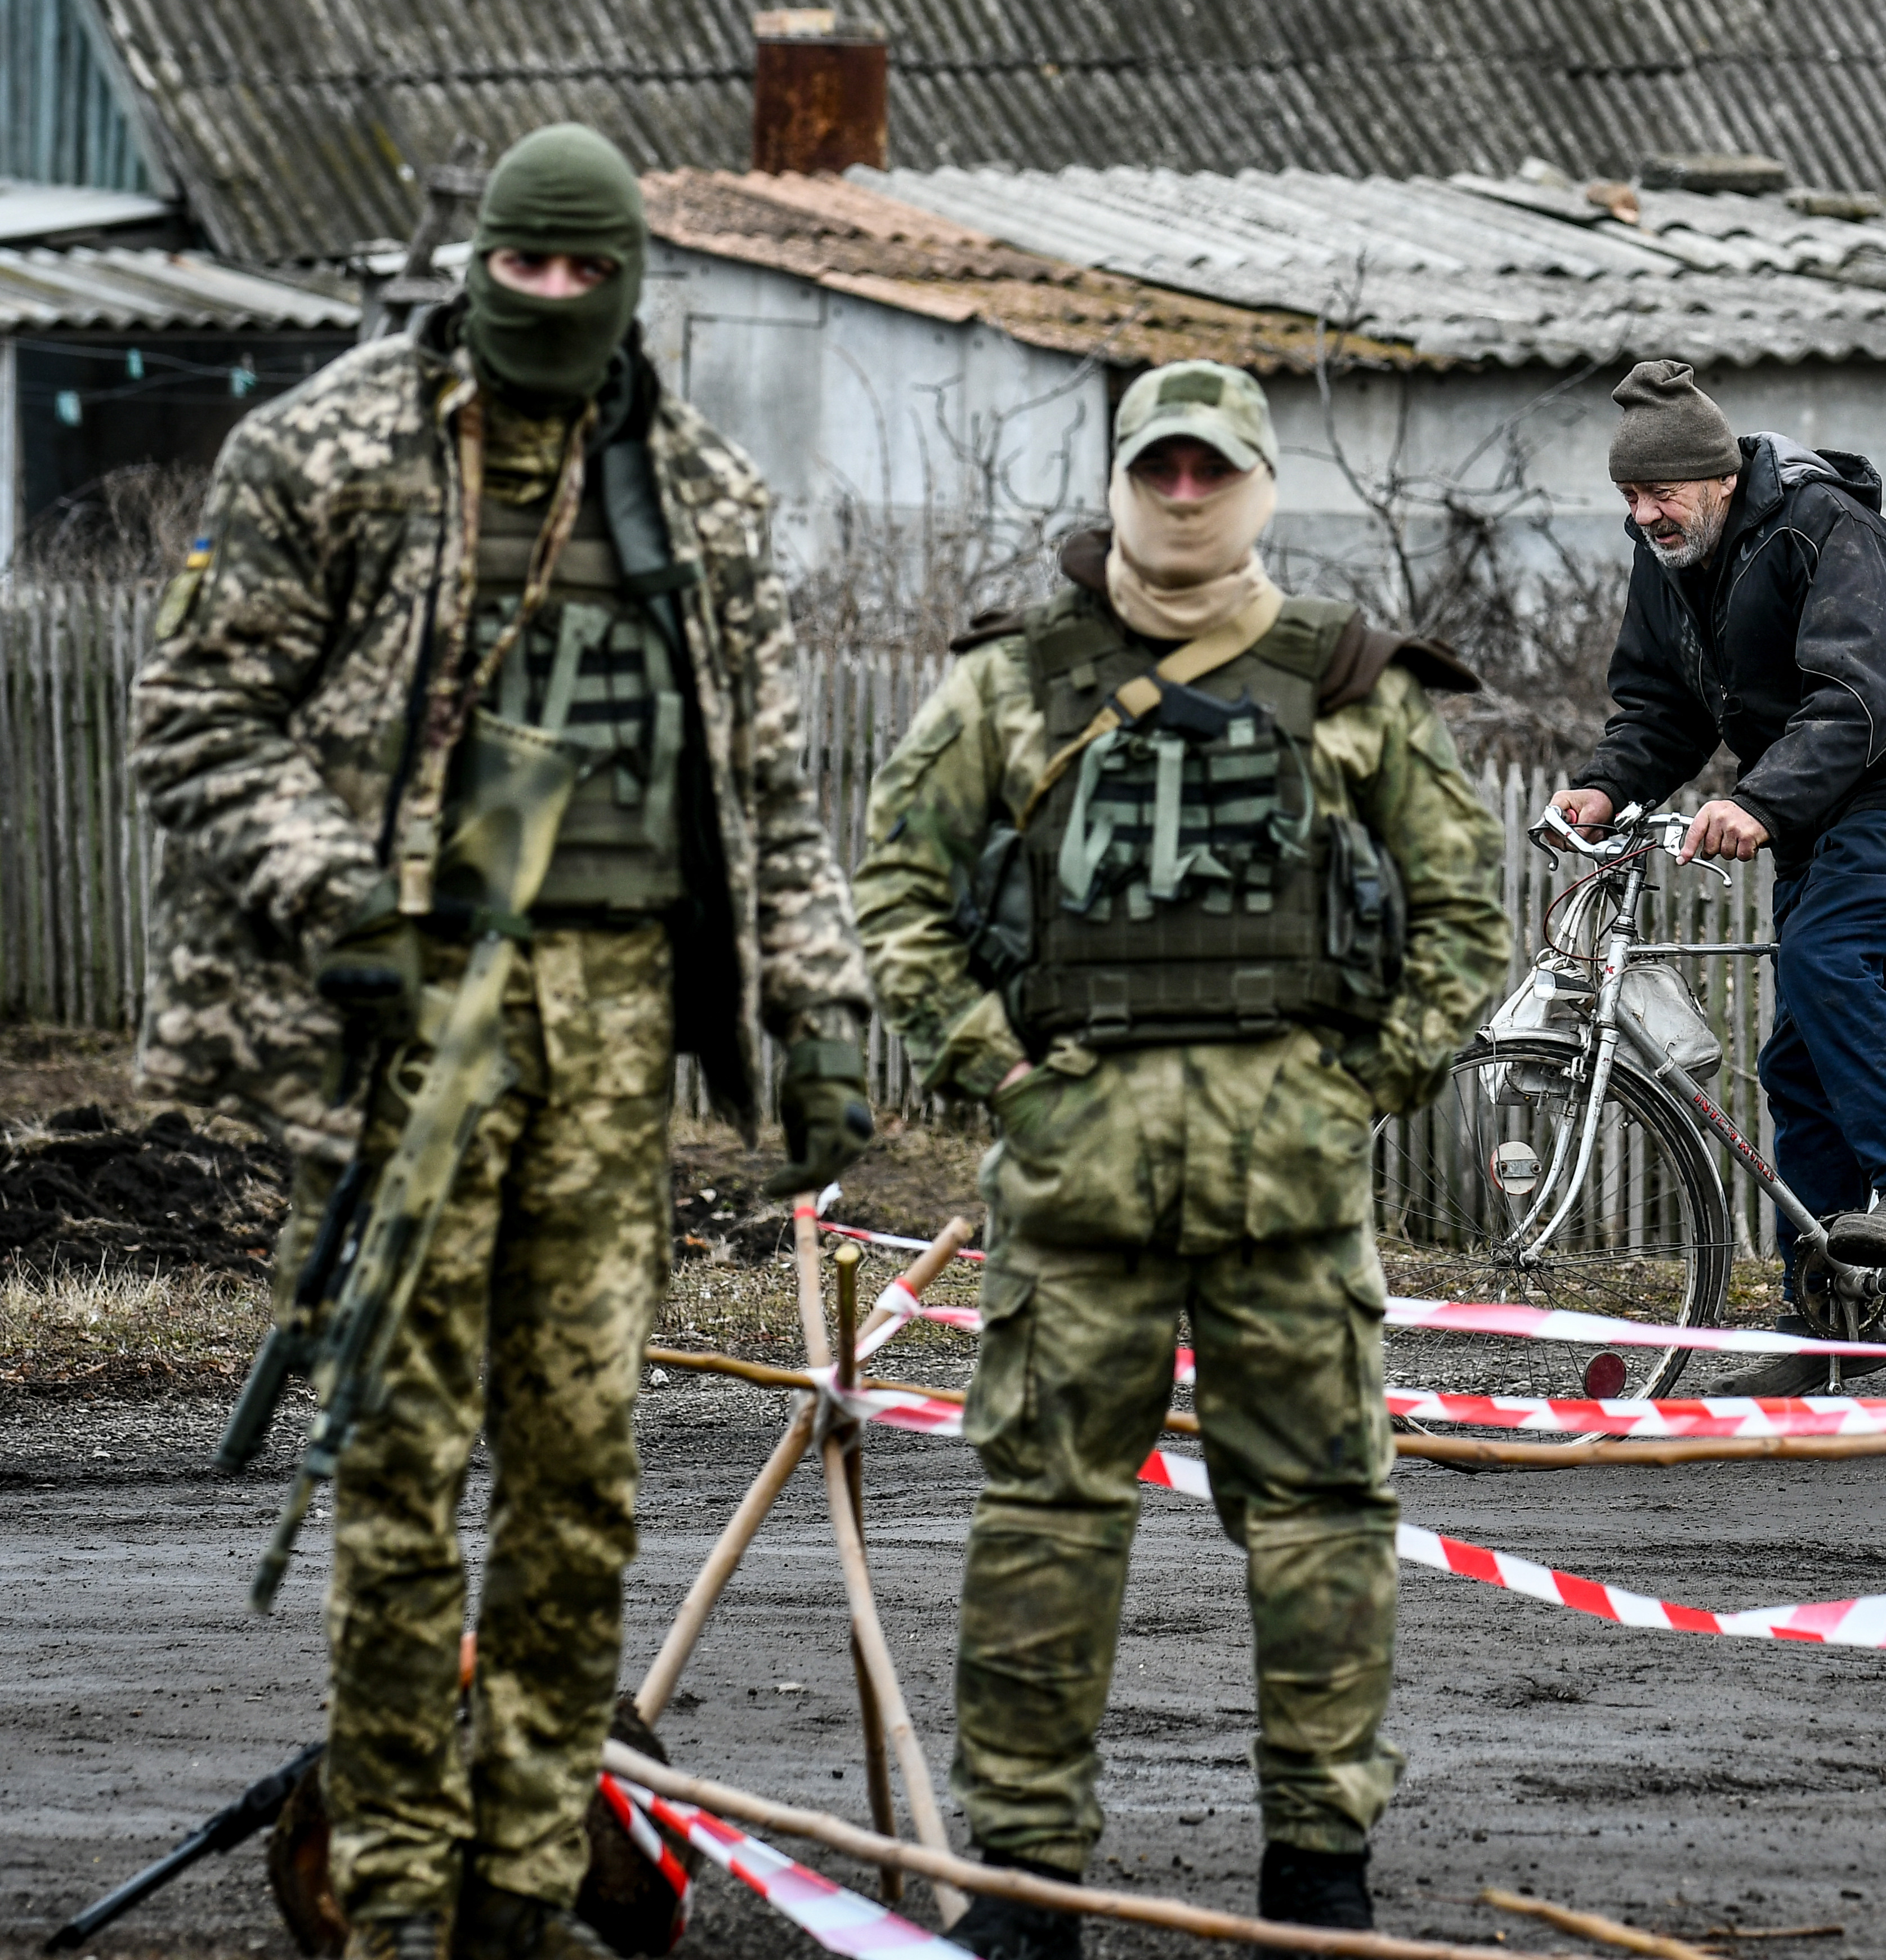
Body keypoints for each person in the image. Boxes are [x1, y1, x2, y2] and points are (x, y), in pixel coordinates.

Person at [131, 126, 874, 1960]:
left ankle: (528, 1882)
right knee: (395, 1461)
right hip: (417, 1016)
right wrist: (338, 905)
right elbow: (195, 714)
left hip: (615, 1019)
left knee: (580, 1477)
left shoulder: (699, 495)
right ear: (476, 264)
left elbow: (770, 796)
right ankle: (391, 1892)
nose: (548, 300)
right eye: (519, 269)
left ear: (629, 279)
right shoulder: (323, 449)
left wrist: (820, 1008)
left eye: (581, 273)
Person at [853, 360, 1508, 1959]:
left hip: (1286, 1195)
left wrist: (1362, 1084)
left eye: (1216, 468)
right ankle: (1024, 1879)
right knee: (1044, 1527)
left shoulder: (1349, 680)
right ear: (1125, 479)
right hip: (1079, 1191)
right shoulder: (1015, 685)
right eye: (1163, 465)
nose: (1188, 493)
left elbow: (1468, 916)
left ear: (1259, 481)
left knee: (1324, 1524)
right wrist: (1001, 1072)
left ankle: (1319, 1864)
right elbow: (897, 888)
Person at [1547, 359, 1886, 1388]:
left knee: (1823, 954)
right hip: (1824, 805)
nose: (1643, 514)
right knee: (1795, 1060)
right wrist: (1604, 788)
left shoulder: (1822, 528)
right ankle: (1831, 1331)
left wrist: (1757, 801)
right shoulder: (1666, 560)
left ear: (1714, 478)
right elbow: (1661, 707)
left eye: (1659, 493)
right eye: (1628, 496)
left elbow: (1856, 695)